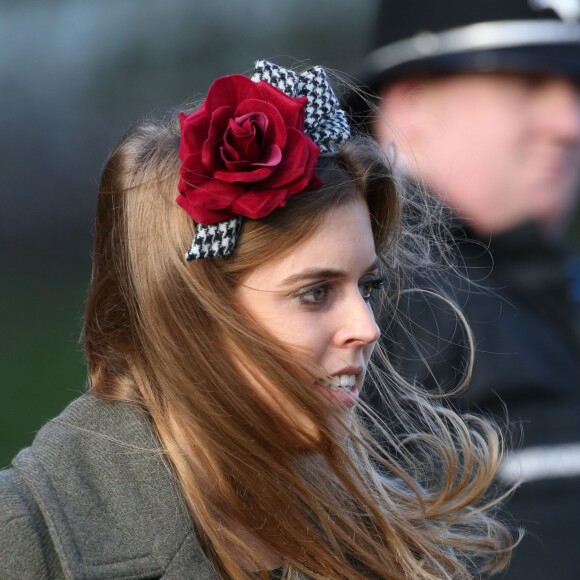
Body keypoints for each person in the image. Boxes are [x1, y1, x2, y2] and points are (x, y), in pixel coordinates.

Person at [0, 59, 513, 579]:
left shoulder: (383, 539)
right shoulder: (22, 540)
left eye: (368, 286)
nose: (367, 326)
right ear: (191, 312)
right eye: (315, 292)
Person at [348, 1, 580, 577]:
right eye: (527, 82)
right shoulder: (374, 308)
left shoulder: (539, 285)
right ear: (414, 104)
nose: (569, 124)